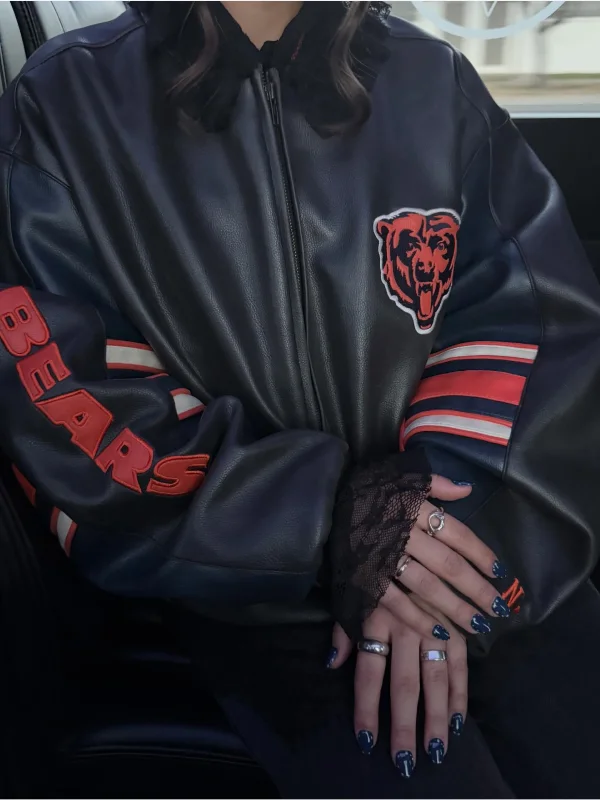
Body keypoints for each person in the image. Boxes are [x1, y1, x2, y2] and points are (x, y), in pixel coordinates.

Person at [0, 1, 599, 796]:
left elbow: (534, 319)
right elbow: (68, 398)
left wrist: (432, 534)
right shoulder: (65, 102)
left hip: (474, 547)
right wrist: (325, 517)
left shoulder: (435, 84)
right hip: (252, 596)